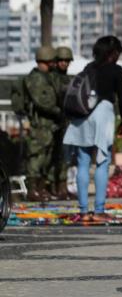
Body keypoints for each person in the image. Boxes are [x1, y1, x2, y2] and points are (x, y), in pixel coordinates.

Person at [62, 36, 122, 222]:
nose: (118, 57)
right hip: (103, 113)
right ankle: (99, 210)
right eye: (117, 53)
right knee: (102, 162)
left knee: (83, 163)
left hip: (82, 115)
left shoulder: (88, 68)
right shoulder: (117, 70)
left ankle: (83, 211)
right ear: (112, 52)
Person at [21, 46, 61, 201]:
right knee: (36, 158)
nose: (54, 64)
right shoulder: (35, 78)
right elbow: (42, 102)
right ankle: (32, 190)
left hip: (49, 126)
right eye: (51, 61)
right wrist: (58, 110)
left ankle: (41, 189)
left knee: (47, 159)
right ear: (45, 60)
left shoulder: (48, 77)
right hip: (40, 126)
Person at [49, 46, 74, 199]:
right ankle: (51, 186)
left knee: (65, 156)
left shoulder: (69, 80)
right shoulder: (51, 78)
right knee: (51, 157)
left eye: (67, 60)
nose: (64, 63)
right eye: (61, 60)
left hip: (66, 122)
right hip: (52, 122)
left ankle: (62, 187)